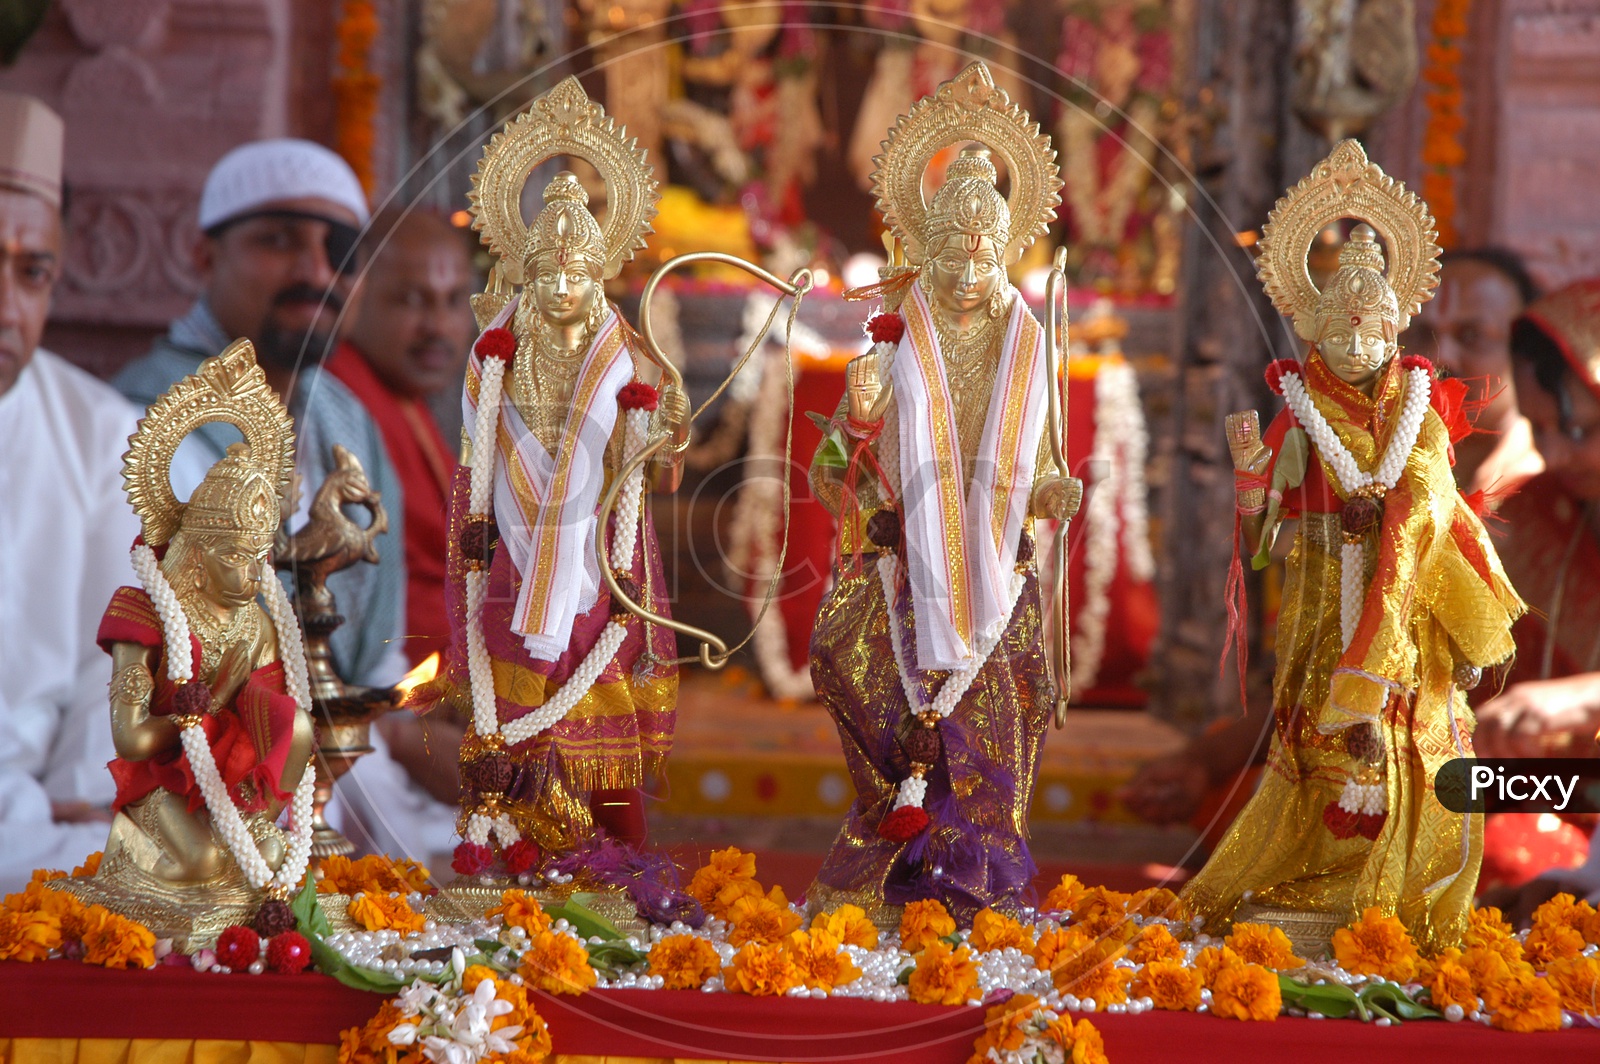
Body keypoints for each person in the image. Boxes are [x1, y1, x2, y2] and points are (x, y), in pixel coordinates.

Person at [1181, 141, 1523, 952]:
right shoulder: (1299, 411)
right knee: (1323, 745)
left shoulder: (1423, 415)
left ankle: (1399, 893)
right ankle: (1318, 883)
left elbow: (1440, 510)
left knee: (1414, 742)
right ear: (1312, 323)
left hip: (1413, 620)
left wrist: (1409, 538)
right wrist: (1251, 483)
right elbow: (1263, 548)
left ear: (1398, 322)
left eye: (1373, 325)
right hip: (1321, 602)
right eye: (1342, 323)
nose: (1360, 341)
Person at [1123, 247, 1545, 839]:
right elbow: (1324, 660)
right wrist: (1206, 761)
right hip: (1364, 745)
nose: (1442, 356)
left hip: (1516, 778)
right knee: (1246, 812)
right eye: (1423, 331)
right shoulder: (1367, 484)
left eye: (1473, 336)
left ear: (1523, 360)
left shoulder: (1547, 502)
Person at [805, 65, 1077, 923]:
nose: (967, 261)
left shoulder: (1029, 347)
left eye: (984, 246)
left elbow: (1039, 468)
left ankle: (972, 887)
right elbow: (826, 478)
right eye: (951, 244)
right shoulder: (887, 339)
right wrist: (855, 423)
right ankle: (887, 872)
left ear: (1009, 248)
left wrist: (1051, 489)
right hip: (897, 577)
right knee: (847, 672)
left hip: (995, 581)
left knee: (996, 737)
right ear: (921, 238)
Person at [445, 78, 689, 884]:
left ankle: (601, 860)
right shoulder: (498, 345)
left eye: (576, 272)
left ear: (603, 267)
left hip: (594, 560)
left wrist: (661, 427)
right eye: (544, 270)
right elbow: (476, 447)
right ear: (521, 263)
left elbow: (664, 443)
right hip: (513, 549)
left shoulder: (625, 351)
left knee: (593, 687)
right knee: (508, 683)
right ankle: (515, 845)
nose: (558, 286)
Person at [112, 139, 407, 691]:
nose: (318, 272)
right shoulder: (142, 423)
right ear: (205, 256)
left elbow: (381, 656)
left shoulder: (352, 419)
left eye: (340, 247)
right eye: (277, 240)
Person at [0, 91, 145, 889]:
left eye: (32, 273)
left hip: (41, 829)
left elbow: (116, 660)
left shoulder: (97, 432)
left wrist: (85, 792)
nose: (6, 309)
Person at [1471, 279, 1600, 919]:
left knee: (1506, 850)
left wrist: (1581, 698)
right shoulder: (1531, 514)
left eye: (1581, 427)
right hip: (1552, 788)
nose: (1558, 455)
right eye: (1540, 429)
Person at [327, 208, 474, 674]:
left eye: (453, 301)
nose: (438, 326)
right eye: (412, 301)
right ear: (356, 295)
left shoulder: (401, 395)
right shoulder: (338, 403)